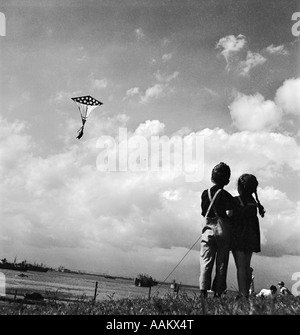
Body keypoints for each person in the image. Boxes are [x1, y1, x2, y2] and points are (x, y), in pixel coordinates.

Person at [199, 162, 235, 298]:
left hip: (207, 230)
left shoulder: (204, 193)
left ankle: (203, 291)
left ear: (211, 178)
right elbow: (230, 214)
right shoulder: (227, 195)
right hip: (223, 230)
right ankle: (218, 292)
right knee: (222, 262)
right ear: (227, 180)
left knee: (205, 260)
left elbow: (204, 213)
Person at [230, 174, 265, 298]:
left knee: (240, 267)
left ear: (240, 187)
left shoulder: (235, 201)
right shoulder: (254, 204)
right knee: (245, 265)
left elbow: (230, 216)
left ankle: (243, 294)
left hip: (238, 238)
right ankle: (245, 292)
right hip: (251, 238)